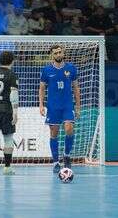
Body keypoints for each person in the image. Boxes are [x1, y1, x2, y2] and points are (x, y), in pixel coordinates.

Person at [39, 45, 81, 173]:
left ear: (63, 53)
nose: (58, 54)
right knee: (54, 133)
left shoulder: (71, 68)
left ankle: (67, 156)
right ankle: (56, 162)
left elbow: (76, 88)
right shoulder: (46, 70)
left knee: (69, 129)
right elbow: (42, 88)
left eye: (60, 52)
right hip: (53, 107)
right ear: (52, 55)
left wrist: (78, 106)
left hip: (68, 105)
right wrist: (41, 105)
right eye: (55, 53)